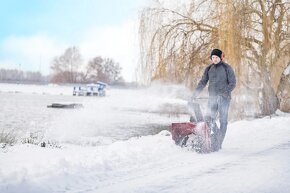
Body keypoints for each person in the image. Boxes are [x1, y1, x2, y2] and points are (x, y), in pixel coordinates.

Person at [192, 48, 236, 151]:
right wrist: (195, 94)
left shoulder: (227, 68)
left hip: (224, 99)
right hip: (212, 98)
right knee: (208, 118)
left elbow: (233, 83)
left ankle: (218, 143)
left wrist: (224, 93)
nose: (214, 59)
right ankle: (217, 138)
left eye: (216, 57)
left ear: (221, 57)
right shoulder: (208, 69)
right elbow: (202, 82)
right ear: (211, 58)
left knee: (223, 121)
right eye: (213, 57)